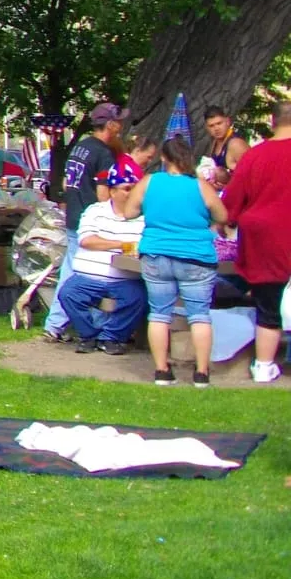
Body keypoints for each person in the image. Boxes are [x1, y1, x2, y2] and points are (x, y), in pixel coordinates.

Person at [118, 137, 227, 387]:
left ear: (164, 158)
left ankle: (161, 371)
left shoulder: (149, 182)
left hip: (156, 253)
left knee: (159, 314)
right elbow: (222, 214)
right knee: (199, 316)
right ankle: (201, 373)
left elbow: (129, 213)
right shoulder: (200, 186)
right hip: (196, 256)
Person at [41, 103, 128, 342]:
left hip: (74, 217)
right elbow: (103, 194)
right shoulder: (103, 153)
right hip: (91, 222)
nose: (121, 127)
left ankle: (56, 324)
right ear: (109, 124)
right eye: (118, 122)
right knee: (96, 275)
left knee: (71, 273)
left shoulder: (80, 147)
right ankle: (96, 328)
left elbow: (66, 185)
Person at [219, 98, 291, 384]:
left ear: (272, 122)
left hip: (262, 235)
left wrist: (229, 220)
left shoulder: (253, 156)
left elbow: (233, 199)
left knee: (267, 303)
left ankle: (263, 365)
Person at [51, 180, 147, 357]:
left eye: (134, 189)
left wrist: (117, 246)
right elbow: (87, 241)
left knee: (138, 298)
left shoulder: (144, 216)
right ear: (112, 192)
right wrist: (122, 244)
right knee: (68, 294)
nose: (131, 193)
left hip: (125, 277)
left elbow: (145, 245)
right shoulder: (95, 211)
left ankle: (111, 337)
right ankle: (88, 335)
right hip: (88, 275)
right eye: (127, 189)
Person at [201, 107, 250, 188]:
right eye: (211, 126)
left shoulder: (236, 144)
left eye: (219, 123)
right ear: (207, 128)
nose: (216, 128)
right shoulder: (214, 142)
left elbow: (252, 175)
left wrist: (228, 187)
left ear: (227, 121)